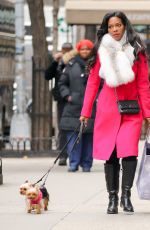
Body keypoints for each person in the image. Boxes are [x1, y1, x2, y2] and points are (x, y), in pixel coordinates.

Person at [80, 11, 150, 214]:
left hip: (132, 110)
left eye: (118, 25)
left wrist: (148, 113)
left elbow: (143, 84)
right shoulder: (102, 51)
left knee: (129, 152)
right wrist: (85, 112)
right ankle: (112, 198)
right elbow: (93, 83)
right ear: (106, 29)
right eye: (110, 27)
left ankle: (126, 197)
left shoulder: (137, 51)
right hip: (108, 109)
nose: (115, 29)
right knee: (110, 155)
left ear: (125, 25)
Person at [58, 39, 95, 172]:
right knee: (73, 138)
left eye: (88, 49)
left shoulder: (96, 64)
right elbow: (62, 83)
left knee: (88, 138)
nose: (85, 51)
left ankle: (86, 164)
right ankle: (73, 163)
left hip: (91, 106)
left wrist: (97, 98)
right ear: (78, 50)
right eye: (82, 49)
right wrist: (68, 95)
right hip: (73, 106)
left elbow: (102, 84)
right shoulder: (71, 65)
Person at [45, 42, 74, 166]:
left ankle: (73, 155)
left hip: (75, 99)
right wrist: (54, 62)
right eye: (64, 50)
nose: (66, 52)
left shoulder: (75, 62)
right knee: (62, 127)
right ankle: (62, 155)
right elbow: (47, 75)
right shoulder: (58, 63)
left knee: (75, 127)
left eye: (68, 50)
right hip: (62, 100)